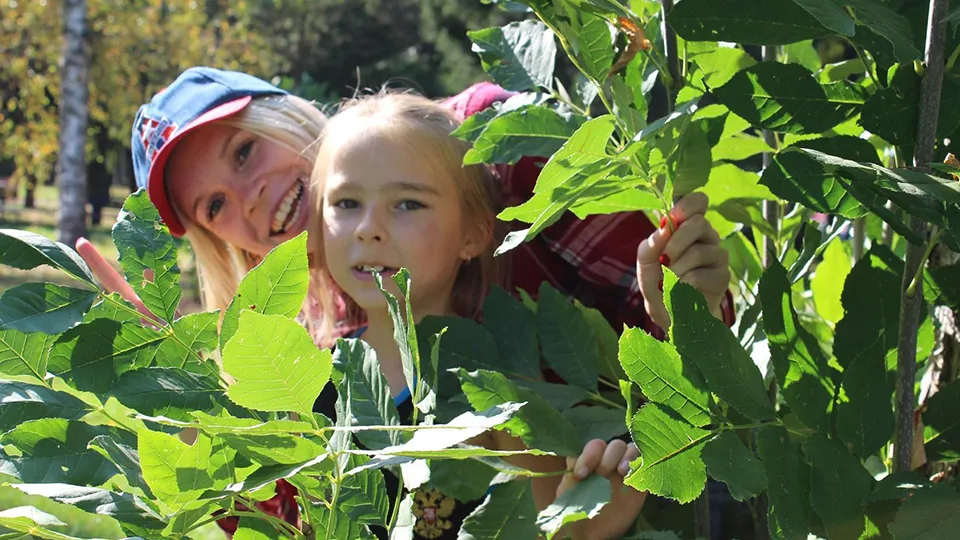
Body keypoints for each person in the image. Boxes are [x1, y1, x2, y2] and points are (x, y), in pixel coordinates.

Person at [307, 91, 645, 540]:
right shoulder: (311, 383)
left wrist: (590, 527)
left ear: (473, 233)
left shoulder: (495, 389)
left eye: (408, 203)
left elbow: (544, 530)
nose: (368, 227)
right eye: (346, 202)